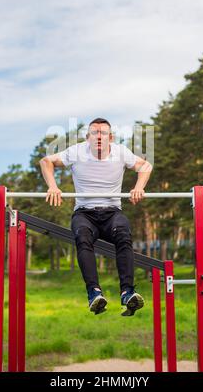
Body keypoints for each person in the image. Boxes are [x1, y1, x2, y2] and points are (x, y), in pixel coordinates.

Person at [39, 118, 153, 316]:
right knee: (82, 237)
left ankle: (127, 292)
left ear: (111, 137)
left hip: (112, 213)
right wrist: (52, 186)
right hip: (84, 213)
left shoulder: (121, 152)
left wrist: (139, 187)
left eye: (103, 133)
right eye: (94, 133)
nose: (99, 136)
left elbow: (146, 166)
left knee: (123, 235)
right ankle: (94, 293)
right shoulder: (76, 151)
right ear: (87, 137)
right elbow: (46, 161)